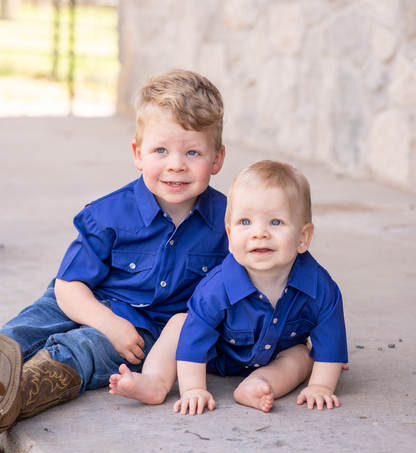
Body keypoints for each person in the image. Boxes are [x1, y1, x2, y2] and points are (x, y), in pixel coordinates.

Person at [0, 69, 228, 433]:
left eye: (193, 152)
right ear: (138, 154)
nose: (176, 164)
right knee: (31, 324)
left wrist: (294, 337)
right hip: (83, 296)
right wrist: (106, 318)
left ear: (216, 159)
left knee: (88, 348)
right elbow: (68, 286)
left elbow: (259, 280)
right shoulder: (108, 214)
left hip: (144, 327)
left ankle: (17, 396)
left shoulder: (229, 225)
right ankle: (3, 362)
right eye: (160, 150)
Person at [109, 160, 348, 414]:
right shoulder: (217, 287)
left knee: (302, 356)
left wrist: (322, 385)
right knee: (180, 324)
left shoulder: (320, 288)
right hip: (215, 354)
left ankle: (258, 384)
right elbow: (194, 340)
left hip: (277, 355)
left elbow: (329, 345)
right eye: (245, 222)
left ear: (303, 237)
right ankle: (155, 381)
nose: (259, 233)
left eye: (275, 222)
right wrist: (193, 389)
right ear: (230, 236)